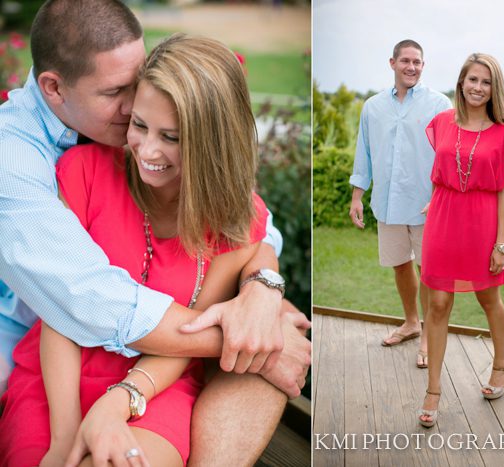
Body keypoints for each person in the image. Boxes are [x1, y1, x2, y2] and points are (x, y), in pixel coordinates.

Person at [0, 0, 310, 464]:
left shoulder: (231, 217)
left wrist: (262, 289)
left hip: (155, 378)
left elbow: (248, 238)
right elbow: (70, 301)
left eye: (170, 133)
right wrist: (258, 339)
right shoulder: (35, 162)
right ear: (54, 89)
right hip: (40, 354)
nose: (133, 119)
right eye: (118, 95)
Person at [418, 53, 504, 427]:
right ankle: (433, 389)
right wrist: (434, 201)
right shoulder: (443, 122)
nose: (478, 88)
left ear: (495, 88)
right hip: (443, 221)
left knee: (487, 296)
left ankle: (502, 363)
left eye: (486, 82)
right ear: (461, 82)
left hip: (482, 225)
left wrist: (501, 244)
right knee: (437, 302)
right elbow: (442, 172)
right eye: (473, 80)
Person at [348, 39, 451, 367]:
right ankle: (410, 322)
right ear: (392, 63)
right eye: (406, 60)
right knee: (399, 263)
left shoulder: (439, 104)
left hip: (426, 204)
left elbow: (448, 155)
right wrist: (357, 196)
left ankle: (427, 335)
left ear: (423, 65)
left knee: (428, 270)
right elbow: (363, 153)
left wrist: (439, 195)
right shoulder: (373, 106)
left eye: (417, 62)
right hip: (387, 202)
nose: (412, 67)